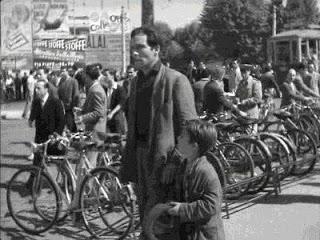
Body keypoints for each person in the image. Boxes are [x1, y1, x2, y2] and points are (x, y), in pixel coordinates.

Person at [121, 26, 197, 237]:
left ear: (156, 50)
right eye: (132, 48)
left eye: (140, 47)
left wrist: (174, 162)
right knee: (148, 216)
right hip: (141, 159)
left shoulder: (176, 80)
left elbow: (191, 128)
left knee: (163, 223)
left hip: (166, 163)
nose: (134, 53)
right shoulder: (135, 83)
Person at [150, 119, 225, 240]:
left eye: (183, 136)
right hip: (188, 232)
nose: (178, 138)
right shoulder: (183, 165)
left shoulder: (205, 172)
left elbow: (211, 205)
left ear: (194, 146)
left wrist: (182, 209)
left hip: (204, 235)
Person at [27, 79, 65, 188]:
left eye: (39, 88)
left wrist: (56, 134)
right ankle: (33, 181)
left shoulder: (55, 101)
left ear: (46, 89)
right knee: (37, 160)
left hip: (52, 137)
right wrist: (31, 119)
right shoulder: (36, 101)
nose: (36, 90)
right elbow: (34, 112)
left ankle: (66, 180)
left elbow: (61, 120)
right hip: (39, 136)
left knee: (59, 162)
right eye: (35, 88)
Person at [102, 69, 127, 134]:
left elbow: (121, 103)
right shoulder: (105, 89)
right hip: (107, 118)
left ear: (112, 76)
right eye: (103, 75)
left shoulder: (119, 89)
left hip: (116, 117)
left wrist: (112, 113)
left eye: (106, 75)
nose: (104, 77)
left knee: (117, 138)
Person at [58, 67, 80, 132]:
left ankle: (74, 136)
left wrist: (75, 105)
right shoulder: (61, 81)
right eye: (61, 71)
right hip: (62, 107)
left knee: (70, 124)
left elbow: (76, 94)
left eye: (63, 71)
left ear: (67, 72)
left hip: (70, 107)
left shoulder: (73, 81)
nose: (62, 73)